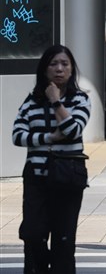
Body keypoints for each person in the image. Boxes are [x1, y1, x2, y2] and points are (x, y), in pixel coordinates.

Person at [12, 45, 91, 273]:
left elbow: (73, 130)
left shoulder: (80, 99)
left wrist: (56, 102)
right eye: (53, 64)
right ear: (44, 69)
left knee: (63, 241)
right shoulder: (32, 100)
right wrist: (49, 137)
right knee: (32, 234)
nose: (59, 69)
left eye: (64, 64)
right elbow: (17, 135)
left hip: (68, 177)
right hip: (36, 177)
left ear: (71, 69)